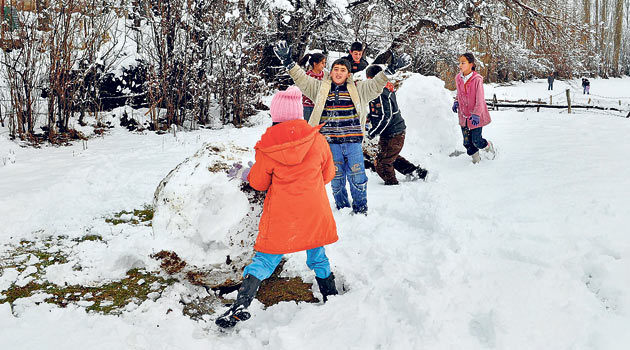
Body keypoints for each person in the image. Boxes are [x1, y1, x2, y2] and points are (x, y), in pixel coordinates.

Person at [216, 86, 339, 329]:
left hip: (283, 214)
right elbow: (328, 175)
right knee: (318, 255)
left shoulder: (267, 147)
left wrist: (246, 172)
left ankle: (241, 305)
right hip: (314, 211)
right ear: (299, 114)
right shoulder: (318, 140)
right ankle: (331, 296)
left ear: (275, 117)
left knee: (265, 259)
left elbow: (259, 183)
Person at [274, 41, 410, 215]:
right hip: (331, 143)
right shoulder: (320, 89)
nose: (338, 73)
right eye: (335, 69)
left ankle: (361, 209)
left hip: (353, 142)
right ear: (331, 72)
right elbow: (302, 79)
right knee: (336, 178)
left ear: (348, 73)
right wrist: (288, 63)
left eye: (343, 70)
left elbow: (375, 84)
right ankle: (342, 209)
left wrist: (389, 71)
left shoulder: (359, 88)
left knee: (358, 176)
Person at [365, 65, 428, 185]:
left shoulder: (380, 92)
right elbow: (380, 112)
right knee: (389, 156)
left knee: (382, 163)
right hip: (390, 131)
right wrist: (369, 118)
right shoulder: (382, 89)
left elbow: (385, 116)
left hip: (394, 133)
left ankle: (392, 186)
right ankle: (416, 172)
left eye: (368, 79)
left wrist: (373, 133)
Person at [452, 53, 496, 164]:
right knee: (467, 142)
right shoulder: (458, 78)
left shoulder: (477, 79)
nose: (460, 65)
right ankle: (476, 159)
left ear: (471, 64)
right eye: (460, 63)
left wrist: (476, 114)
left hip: (475, 116)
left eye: (463, 63)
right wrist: (456, 102)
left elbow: (480, 99)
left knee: (476, 141)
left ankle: (487, 145)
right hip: (463, 115)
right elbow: (459, 93)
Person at [298, 53, 327, 121]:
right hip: (308, 106)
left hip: (320, 105)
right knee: (309, 126)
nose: (324, 65)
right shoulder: (307, 76)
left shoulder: (325, 75)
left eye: (325, 63)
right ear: (315, 63)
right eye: (322, 63)